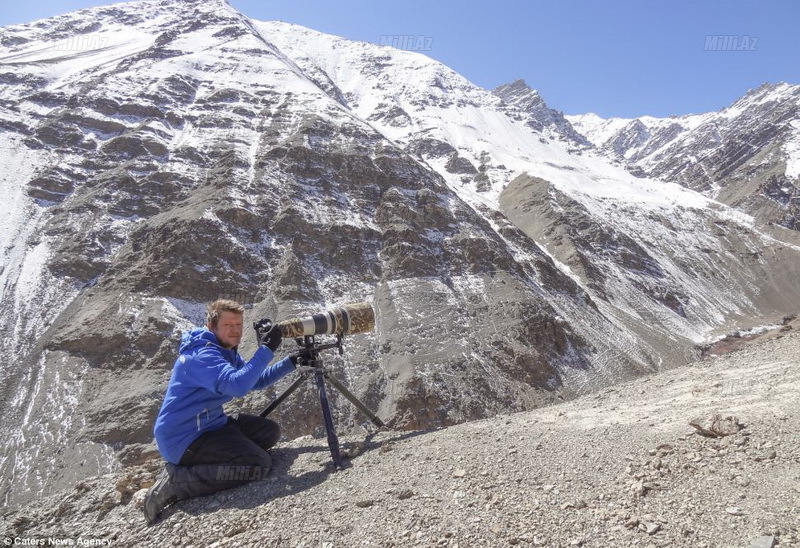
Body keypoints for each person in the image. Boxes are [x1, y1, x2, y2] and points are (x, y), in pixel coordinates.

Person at [144, 299, 296, 524]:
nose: (235, 331)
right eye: (229, 325)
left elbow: (255, 380)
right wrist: (266, 350)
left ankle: (218, 458)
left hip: (211, 425)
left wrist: (292, 362)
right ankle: (176, 481)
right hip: (185, 438)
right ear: (212, 326)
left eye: (239, 325)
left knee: (269, 432)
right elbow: (237, 386)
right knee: (258, 465)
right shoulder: (202, 357)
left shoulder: (225, 350)